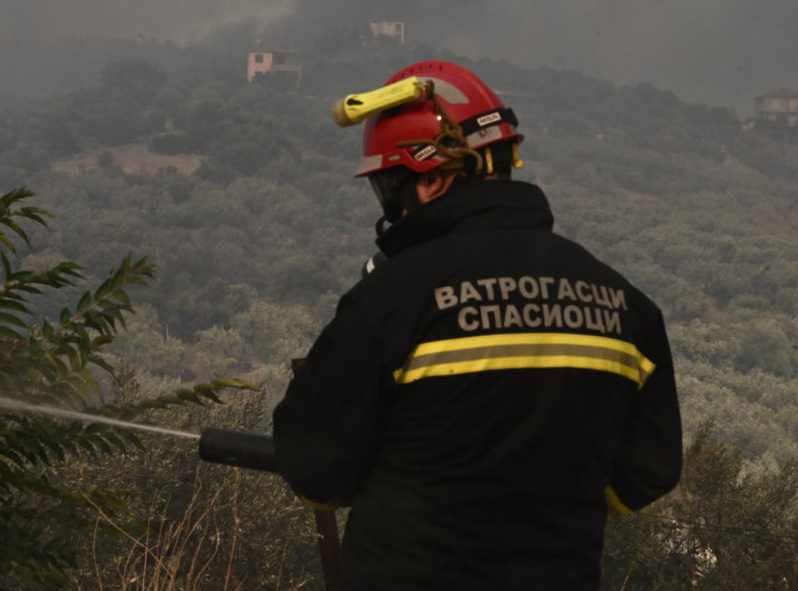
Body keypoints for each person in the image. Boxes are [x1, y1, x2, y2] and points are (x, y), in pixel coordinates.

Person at [272, 60, 682, 590]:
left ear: (432, 180)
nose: (390, 212)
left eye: (388, 190)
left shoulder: (392, 298)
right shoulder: (625, 303)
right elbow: (650, 470)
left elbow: (313, 470)